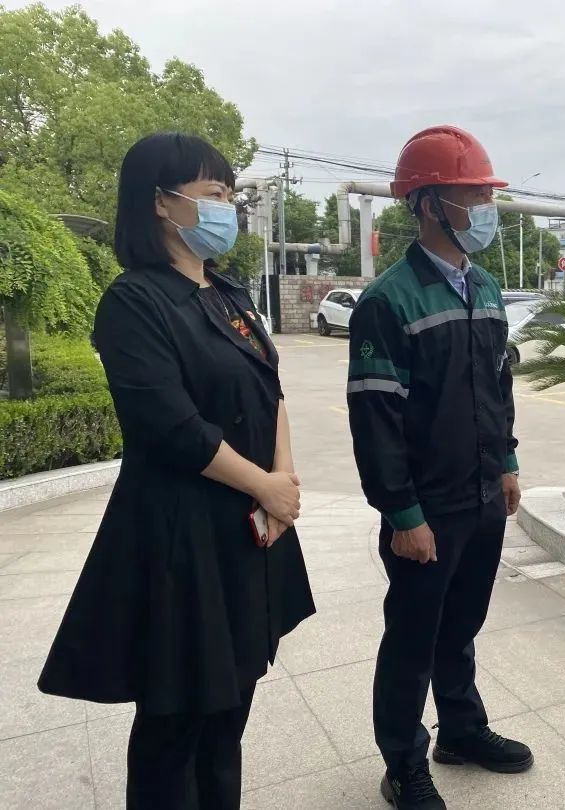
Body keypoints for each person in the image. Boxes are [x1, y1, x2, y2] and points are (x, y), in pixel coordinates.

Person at [38, 132, 316, 809]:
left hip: (247, 527)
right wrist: (263, 485)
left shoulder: (229, 293)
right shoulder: (135, 301)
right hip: (180, 536)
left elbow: (270, 388)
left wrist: (281, 483)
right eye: (214, 193)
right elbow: (170, 426)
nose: (228, 207)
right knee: (179, 715)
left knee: (232, 703)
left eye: (230, 194)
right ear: (161, 202)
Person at [346, 125, 531, 810]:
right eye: (473, 195)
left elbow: (497, 387)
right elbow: (376, 420)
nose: (486, 208)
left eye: (487, 195)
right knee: (413, 640)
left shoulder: (485, 288)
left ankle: (461, 729)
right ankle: (403, 762)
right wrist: (403, 514)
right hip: (425, 508)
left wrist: (506, 461)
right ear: (428, 204)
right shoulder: (388, 301)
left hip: (482, 496)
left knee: (461, 626)